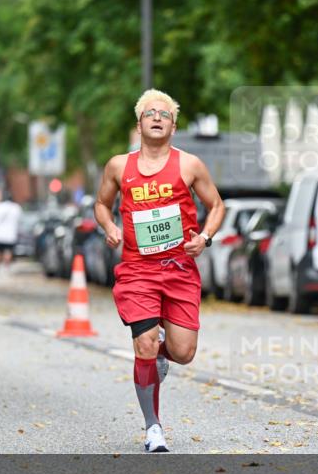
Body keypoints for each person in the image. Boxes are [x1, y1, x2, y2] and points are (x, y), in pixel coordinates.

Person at [94, 89, 225, 453]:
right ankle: (153, 428)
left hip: (180, 269)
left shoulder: (189, 165)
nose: (156, 118)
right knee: (145, 343)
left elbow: (216, 205)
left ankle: (161, 357)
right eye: (149, 113)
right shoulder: (119, 166)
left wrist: (206, 237)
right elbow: (101, 205)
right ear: (138, 124)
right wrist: (109, 227)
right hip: (138, 270)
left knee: (183, 352)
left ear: (173, 125)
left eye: (163, 114)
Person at [0, 194, 21, 267]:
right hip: (10, 234)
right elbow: (19, 220)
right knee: (8, 251)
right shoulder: (16, 207)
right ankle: (6, 266)